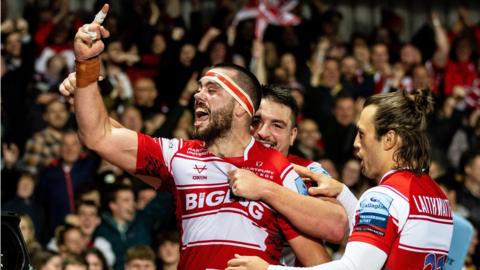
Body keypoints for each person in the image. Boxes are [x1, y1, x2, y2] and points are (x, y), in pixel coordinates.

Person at [60, 5, 330, 269]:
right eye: (200, 88)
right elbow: (99, 135)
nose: (198, 95)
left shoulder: (281, 172)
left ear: (240, 108)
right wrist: (87, 65)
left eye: (212, 90)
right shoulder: (178, 156)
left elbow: (322, 263)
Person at [227, 89, 454, 269]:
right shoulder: (438, 198)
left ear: (389, 140)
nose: (356, 144)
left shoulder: (384, 197)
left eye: (362, 134)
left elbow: (354, 267)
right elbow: (387, 237)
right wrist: (342, 192)